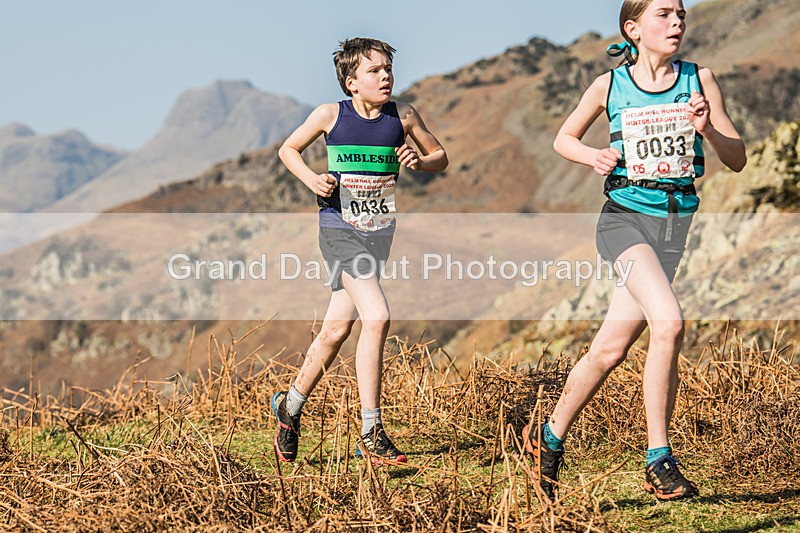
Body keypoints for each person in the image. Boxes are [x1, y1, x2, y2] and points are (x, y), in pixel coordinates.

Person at [523, 0, 746, 501]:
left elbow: (737, 160)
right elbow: (564, 138)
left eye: (681, 14)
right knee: (670, 322)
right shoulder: (609, 85)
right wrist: (594, 155)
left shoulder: (699, 79)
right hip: (623, 223)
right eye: (664, 14)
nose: (677, 23)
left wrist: (708, 128)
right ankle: (659, 458)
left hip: (673, 231)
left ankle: (548, 439)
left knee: (609, 349)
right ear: (634, 27)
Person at [273, 37, 448, 464]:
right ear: (352, 82)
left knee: (336, 331)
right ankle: (372, 431)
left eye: (388, 68)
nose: (386, 76)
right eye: (375, 71)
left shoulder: (402, 116)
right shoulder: (330, 115)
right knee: (379, 315)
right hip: (338, 230)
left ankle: (288, 408)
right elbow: (288, 149)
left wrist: (420, 162)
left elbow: (441, 156)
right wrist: (313, 180)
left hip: (378, 234)